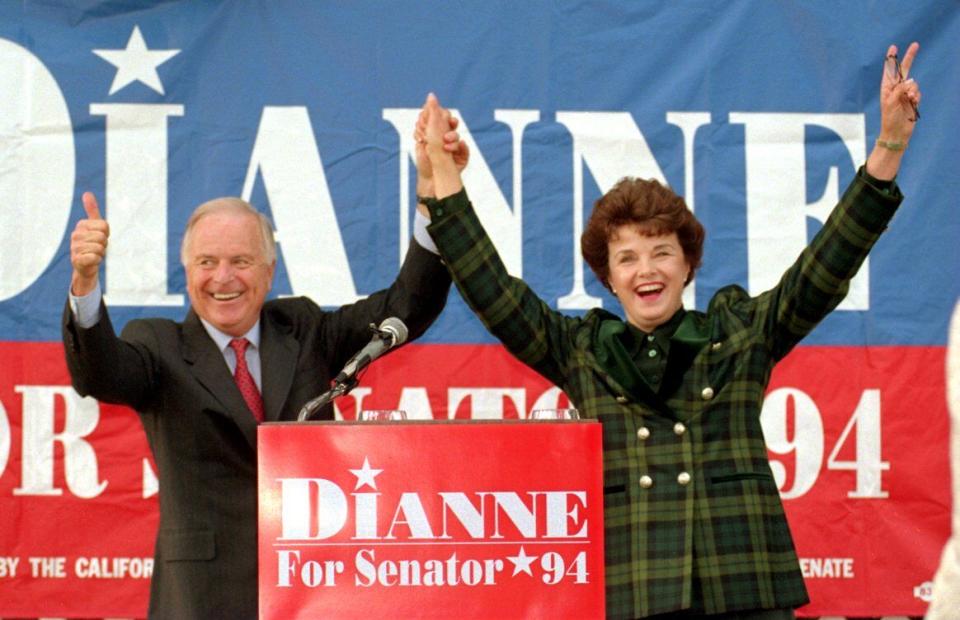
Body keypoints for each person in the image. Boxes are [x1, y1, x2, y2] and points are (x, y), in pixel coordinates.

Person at [415, 41, 922, 619]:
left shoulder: (738, 332)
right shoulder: (581, 351)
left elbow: (826, 266)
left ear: (688, 265)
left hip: (745, 588)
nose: (646, 270)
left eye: (661, 252)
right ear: (607, 278)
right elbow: (493, 292)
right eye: (627, 259)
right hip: (637, 589)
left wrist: (890, 143)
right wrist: (443, 180)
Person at [62, 192, 451, 619]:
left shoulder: (303, 329)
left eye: (241, 262)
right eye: (207, 262)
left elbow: (405, 308)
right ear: (188, 271)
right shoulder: (159, 346)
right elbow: (99, 373)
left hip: (310, 593)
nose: (223, 278)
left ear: (269, 273)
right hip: (202, 599)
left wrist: (432, 203)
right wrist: (85, 282)